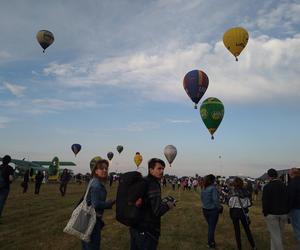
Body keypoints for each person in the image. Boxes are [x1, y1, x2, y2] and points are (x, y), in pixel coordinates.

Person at [129, 158, 175, 250]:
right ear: (150, 170)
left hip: (135, 227)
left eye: (163, 169)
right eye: (159, 168)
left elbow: (146, 203)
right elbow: (157, 211)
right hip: (147, 230)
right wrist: (168, 205)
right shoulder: (153, 184)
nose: (162, 171)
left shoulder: (143, 181)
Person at [81, 159, 115, 250]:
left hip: (86, 217)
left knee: (86, 244)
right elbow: (95, 204)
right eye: (101, 168)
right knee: (92, 245)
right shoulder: (97, 184)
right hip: (93, 220)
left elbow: (92, 200)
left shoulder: (93, 181)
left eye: (106, 168)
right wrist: (108, 204)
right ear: (95, 171)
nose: (105, 170)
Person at [262, 168, 289, 250]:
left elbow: (265, 202)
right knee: (277, 235)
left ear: (269, 176)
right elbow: (288, 199)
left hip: (272, 214)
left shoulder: (267, 187)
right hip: (283, 213)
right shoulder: (284, 185)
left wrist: (265, 213)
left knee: (275, 236)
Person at [228, 177, 257, 250]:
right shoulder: (246, 192)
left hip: (235, 212)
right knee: (247, 230)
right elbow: (249, 204)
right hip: (243, 212)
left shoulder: (233, 192)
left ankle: (239, 247)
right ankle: (253, 246)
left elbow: (230, 204)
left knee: (237, 231)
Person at [200, 174, 220, 249]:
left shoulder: (204, 189)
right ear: (212, 180)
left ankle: (212, 242)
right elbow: (215, 200)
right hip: (212, 210)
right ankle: (210, 243)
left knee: (211, 227)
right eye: (214, 180)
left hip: (205, 210)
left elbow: (201, 198)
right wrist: (219, 208)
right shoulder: (213, 188)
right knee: (211, 228)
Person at [288, 168, 300, 248]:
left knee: (298, 229)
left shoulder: (292, 183)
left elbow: (290, 198)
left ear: (293, 174)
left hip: (296, 209)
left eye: (289, 174)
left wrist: (287, 210)